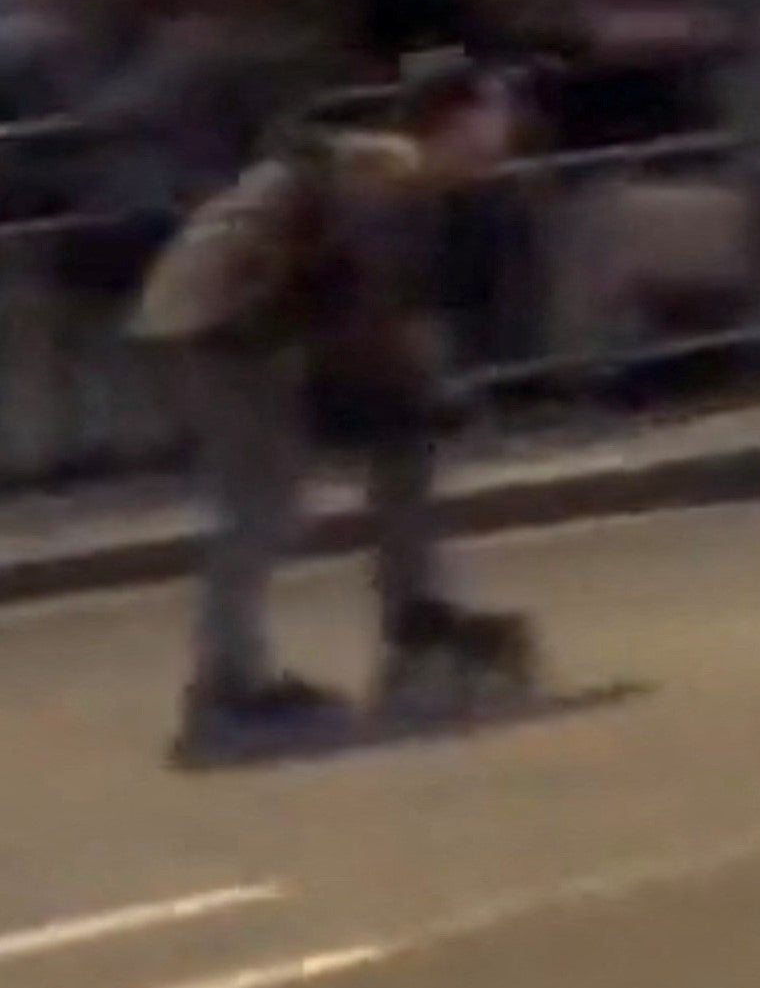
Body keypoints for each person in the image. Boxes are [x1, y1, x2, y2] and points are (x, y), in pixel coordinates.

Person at [133, 52, 536, 762]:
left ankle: (410, 622)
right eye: (496, 113)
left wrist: (405, 392)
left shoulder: (401, 172)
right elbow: (358, 302)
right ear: (460, 119)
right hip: (221, 325)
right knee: (259, 503)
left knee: (367, 464)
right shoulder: (388, 173)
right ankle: (227, 689)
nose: (507, 131)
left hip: (235, 321)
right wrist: (407, 390)